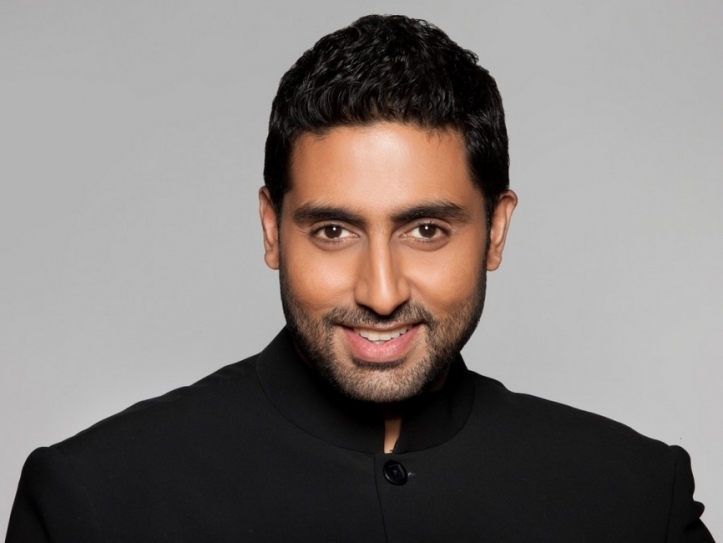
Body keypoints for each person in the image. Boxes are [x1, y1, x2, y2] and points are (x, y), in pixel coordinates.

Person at [6, 14, 713, 542]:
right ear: (270, 229)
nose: (380, 292)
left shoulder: (634, 500)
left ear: (496, 230)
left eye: (425, 230)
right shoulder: (92, 501)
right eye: (333, 231)